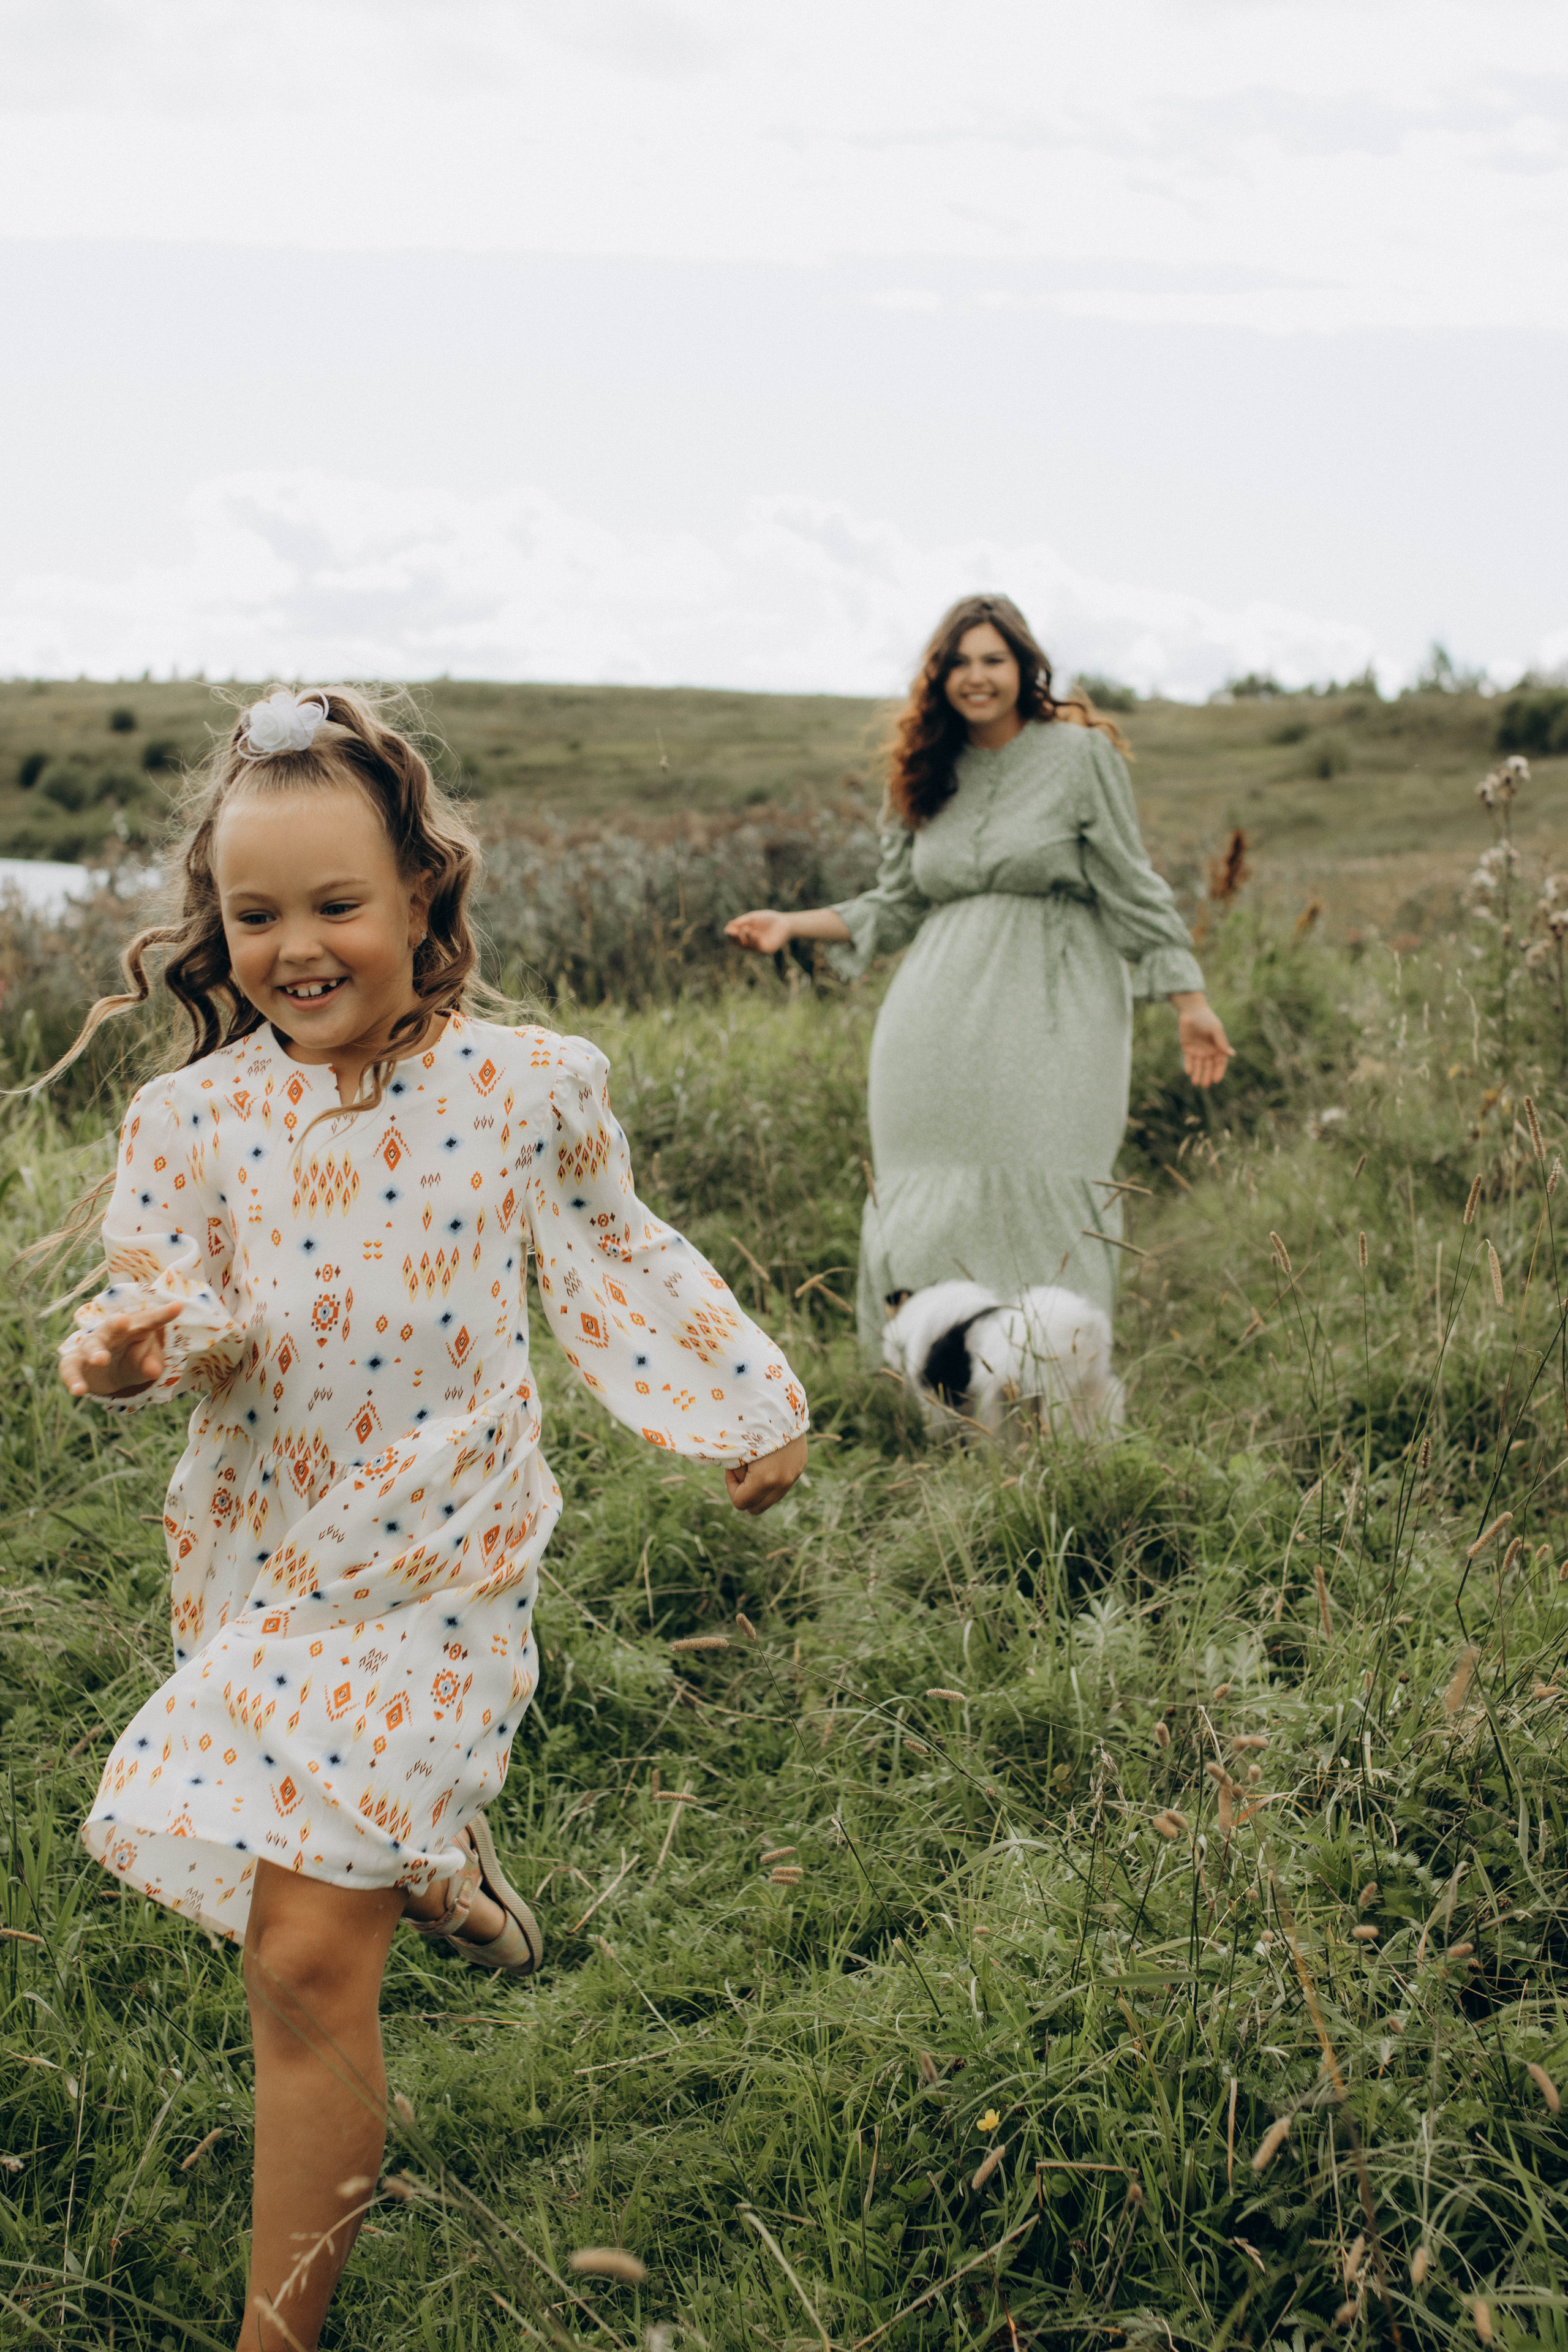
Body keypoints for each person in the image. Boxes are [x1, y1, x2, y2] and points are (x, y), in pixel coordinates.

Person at [48, 686, 809, 2352]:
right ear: (215, 926)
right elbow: (154, 1305)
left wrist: (743, 1404)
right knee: (330, 1861)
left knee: (306, 1957)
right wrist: (123, 1353)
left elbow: (620, 1254)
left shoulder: (527, 1087)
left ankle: (278, 2337)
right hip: (266, 1552)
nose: (297, 948)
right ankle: (443, 1864)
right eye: (257, 916)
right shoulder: (190, 1124)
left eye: (337, 905)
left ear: (418, 900)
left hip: (444, 1552)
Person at [726, 594, 1232, 1356]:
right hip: (933, 1015)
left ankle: (1059, 1388)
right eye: (958, 662)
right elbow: (896, 904)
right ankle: (928, 1386)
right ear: (939, 676)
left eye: (993, 659)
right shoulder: (926, 770)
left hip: (1057, 1005)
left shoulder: (1079, 756)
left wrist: (1188, 1002)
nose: (976, 677)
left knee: (1050, 1172)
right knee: (928, 1191)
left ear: (1024, 667)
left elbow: (1131, 884)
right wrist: (793, 925)